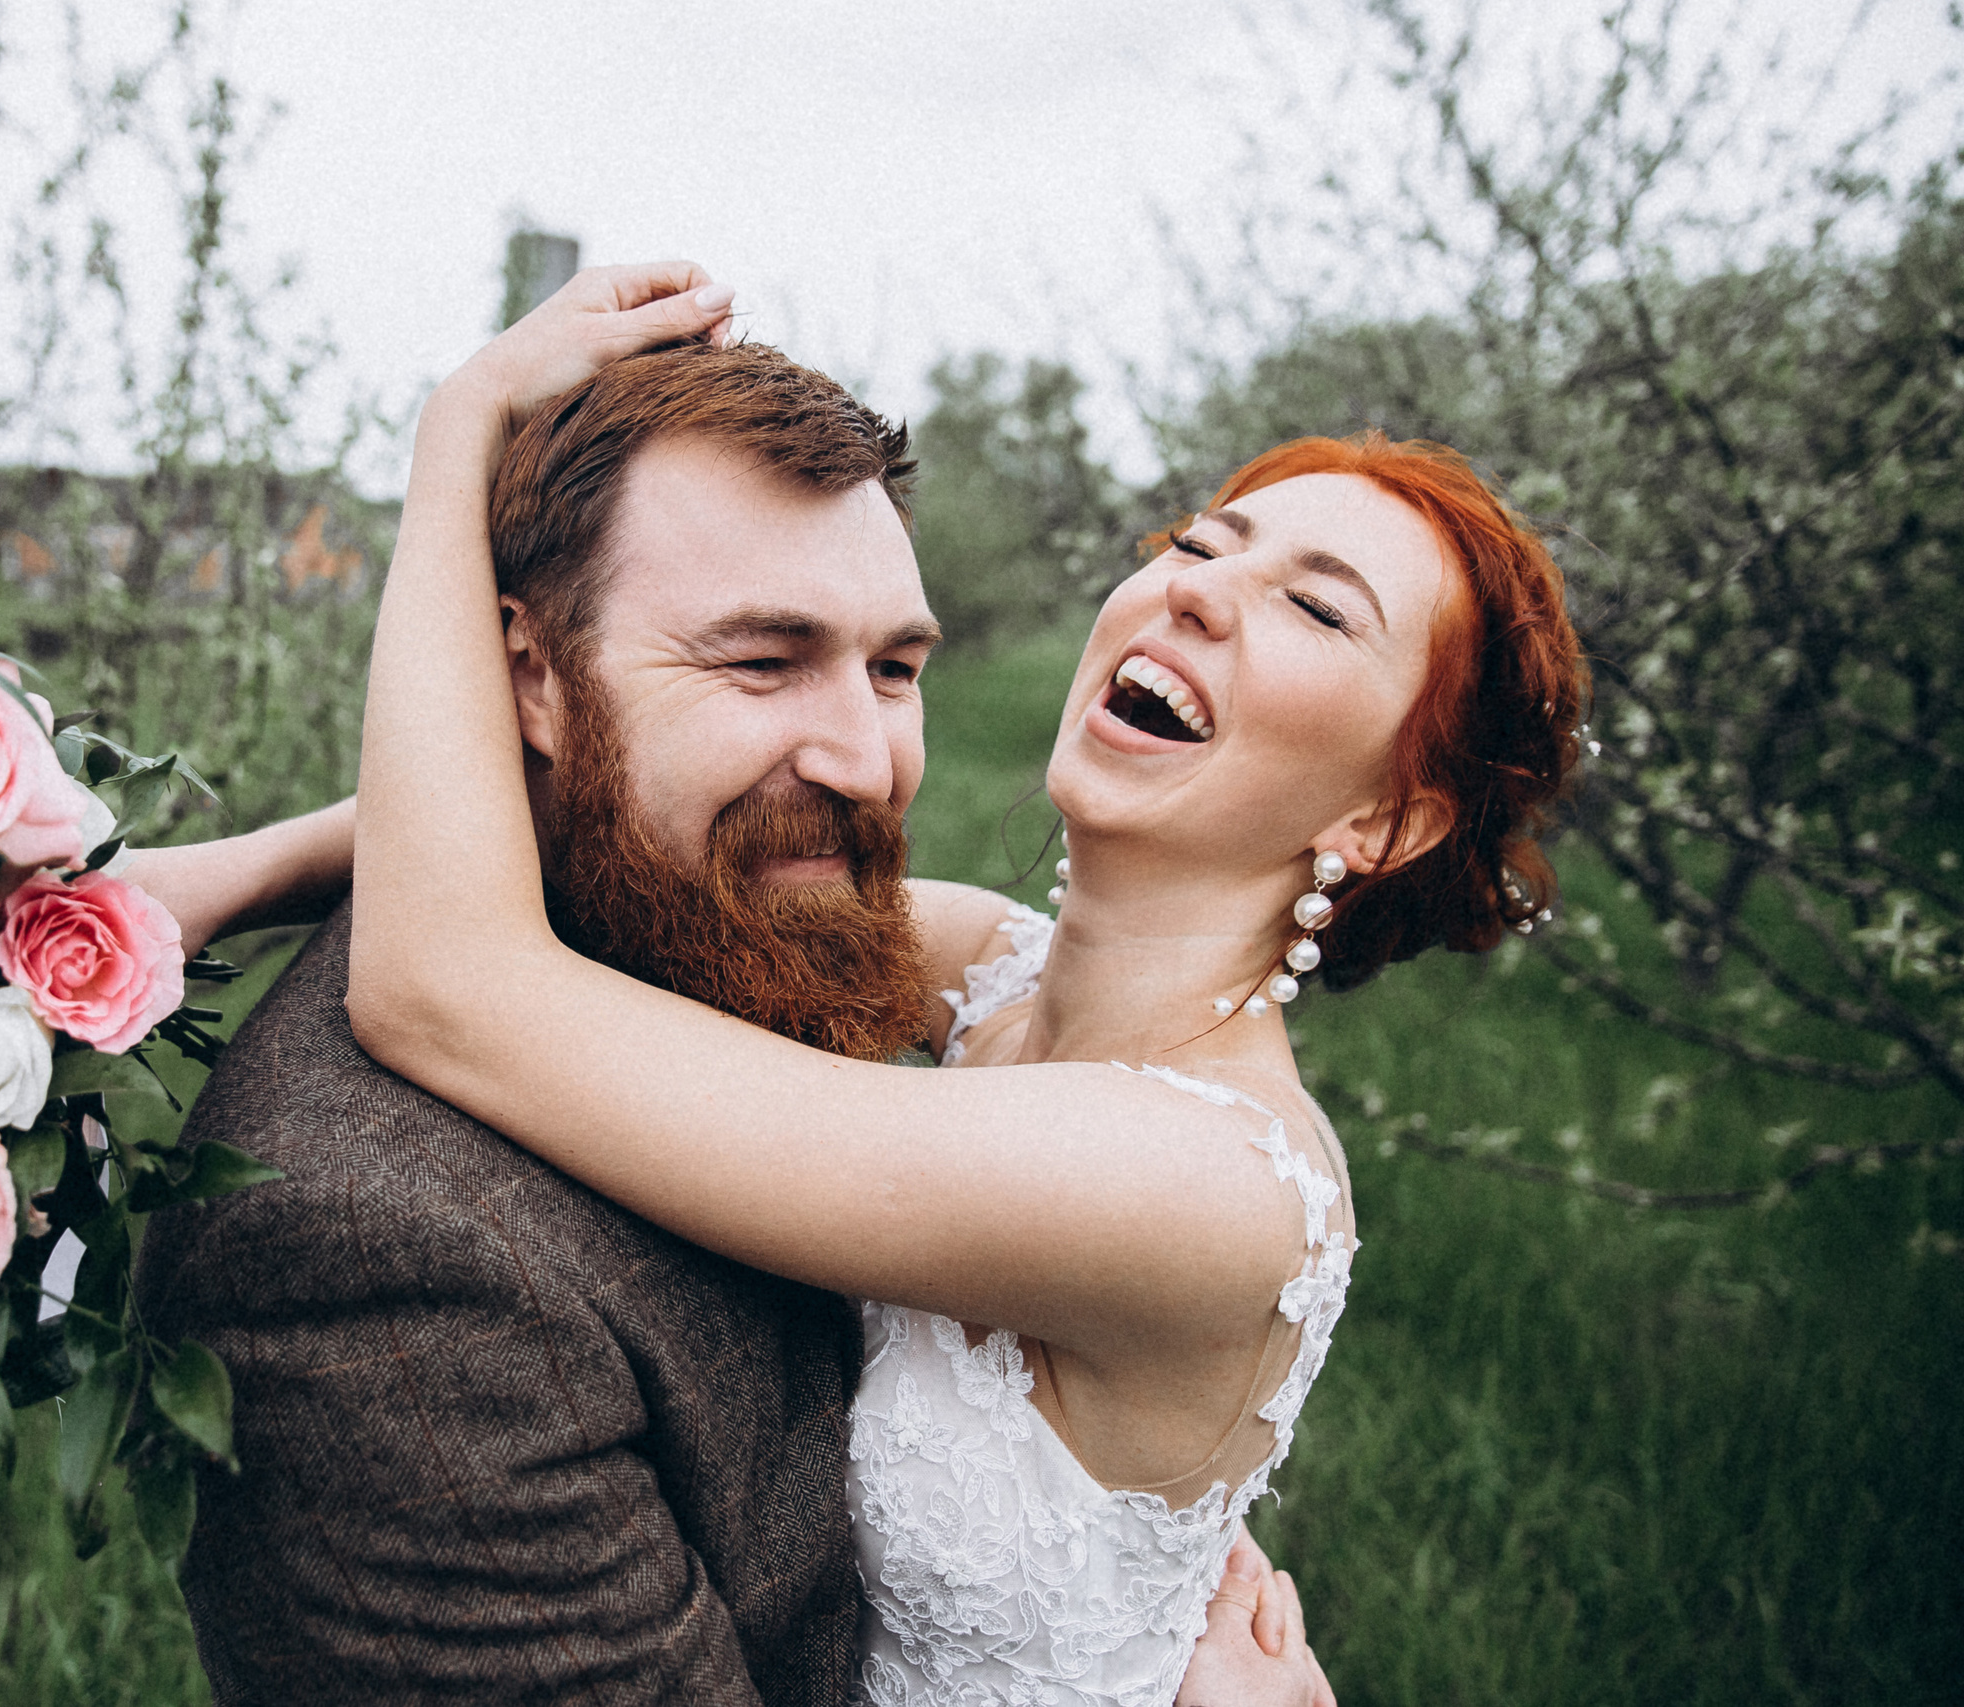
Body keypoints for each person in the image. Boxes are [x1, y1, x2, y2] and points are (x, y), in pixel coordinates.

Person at [335, 264, 1587, 1706]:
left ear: (1384, 821)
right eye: (1201, 541)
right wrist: (213, 876)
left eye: (1315, 609)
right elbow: (619, 827)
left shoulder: (1204, 1179)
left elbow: (444, 988)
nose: (1200, 594)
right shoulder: (995, 964)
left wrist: (458, 435)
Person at [129, 267, 1334, 1705]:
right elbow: (440, 979)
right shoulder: (381, 1260)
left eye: (895, 668)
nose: (861, 761)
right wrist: (240, 868)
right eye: (763, 661)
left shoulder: (788, 930)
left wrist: (458, 435)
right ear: (529, 680)